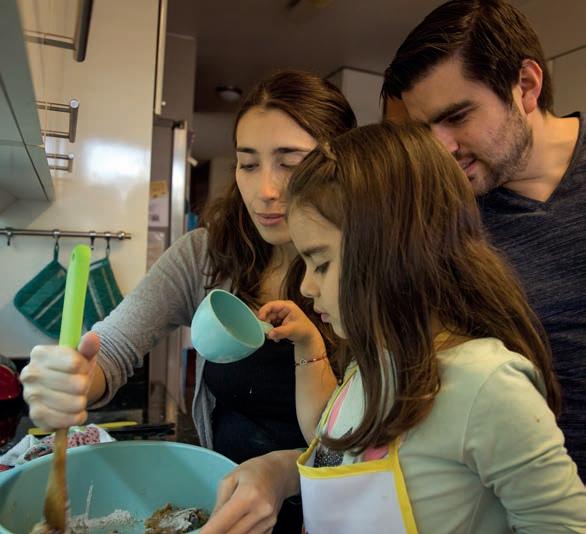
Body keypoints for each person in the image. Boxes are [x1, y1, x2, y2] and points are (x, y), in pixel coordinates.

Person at [201, 121, 586, 534]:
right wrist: (280, 466)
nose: (307, 287)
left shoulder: (487, 386)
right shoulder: (372, 362)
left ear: (395, 252)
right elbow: (332, 446)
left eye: (322, 264)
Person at [19, 70, 356, 533]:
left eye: (290, 162)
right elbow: (112, 348)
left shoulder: (368, 272)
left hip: (334, 510)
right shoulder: (205, 255)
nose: (266, 190)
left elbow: (382, 435)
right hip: (221, 501)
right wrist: (73, 378)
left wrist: (286, 472)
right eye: (248, 164)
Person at [381, 0, 586, 481]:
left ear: (526, 86)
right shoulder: (440, 220)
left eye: (457, 117)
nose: (441, 148)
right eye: (425, 129)